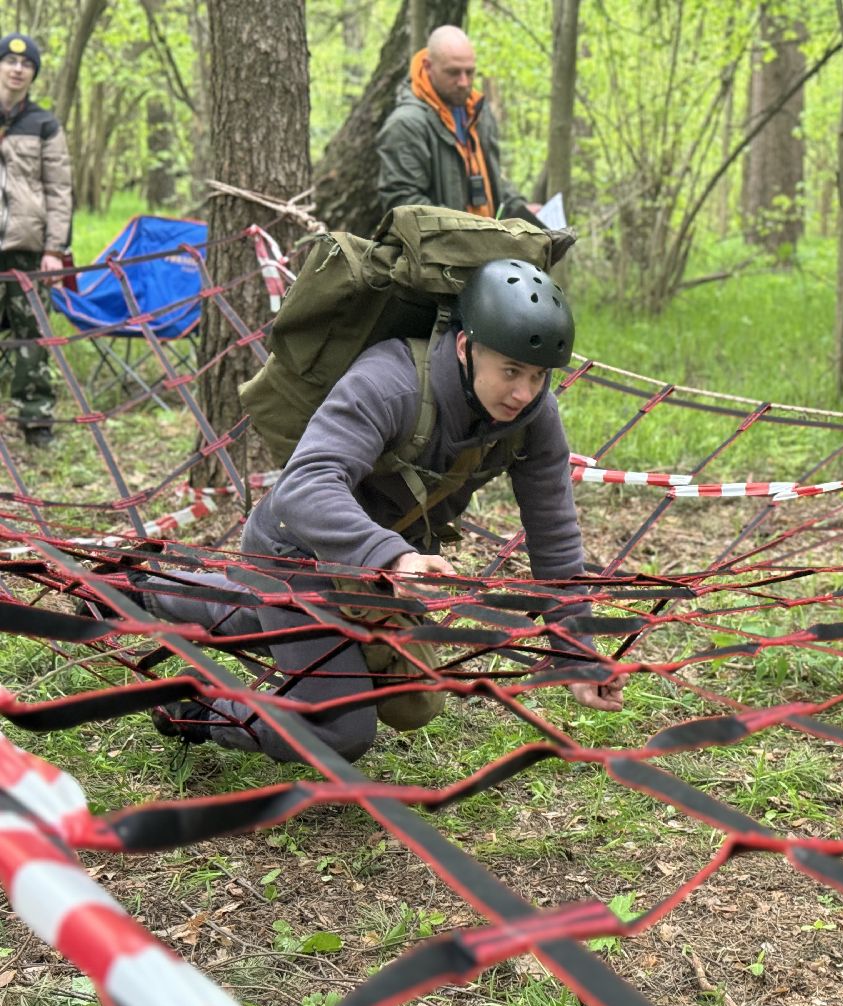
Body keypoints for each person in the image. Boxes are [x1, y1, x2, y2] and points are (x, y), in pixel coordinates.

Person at [130, 259, 626, 763]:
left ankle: (141, 590)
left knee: (412, 703)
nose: (524, 393)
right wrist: (395, 558)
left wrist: (576, 653)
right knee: (338, 730)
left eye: (538, 376)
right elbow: (305, 485)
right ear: (464, 348)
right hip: (297, 549)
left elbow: (554, 535)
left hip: (377, 572)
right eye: (511, 371)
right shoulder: (391, 381)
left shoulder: (534, 416)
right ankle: (193, 705)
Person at [377, 25, 537, 225]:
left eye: (469, 72)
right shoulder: (406, 125)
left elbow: (493, 183)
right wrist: (469, 230)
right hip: (446, 245)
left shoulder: (478, 113)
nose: (463, 82)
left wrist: (521, 209)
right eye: (453, 72)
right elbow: (403, 205)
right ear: (428, 66)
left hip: (488, 240)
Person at [0, 32, 69, 448]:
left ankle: (36, 422)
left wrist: (54, 250)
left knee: (33, 336)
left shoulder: (44, 124)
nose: (17, 69)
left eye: (26, 64)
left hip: (26, 249)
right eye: (10, 61)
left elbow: (59, 191)